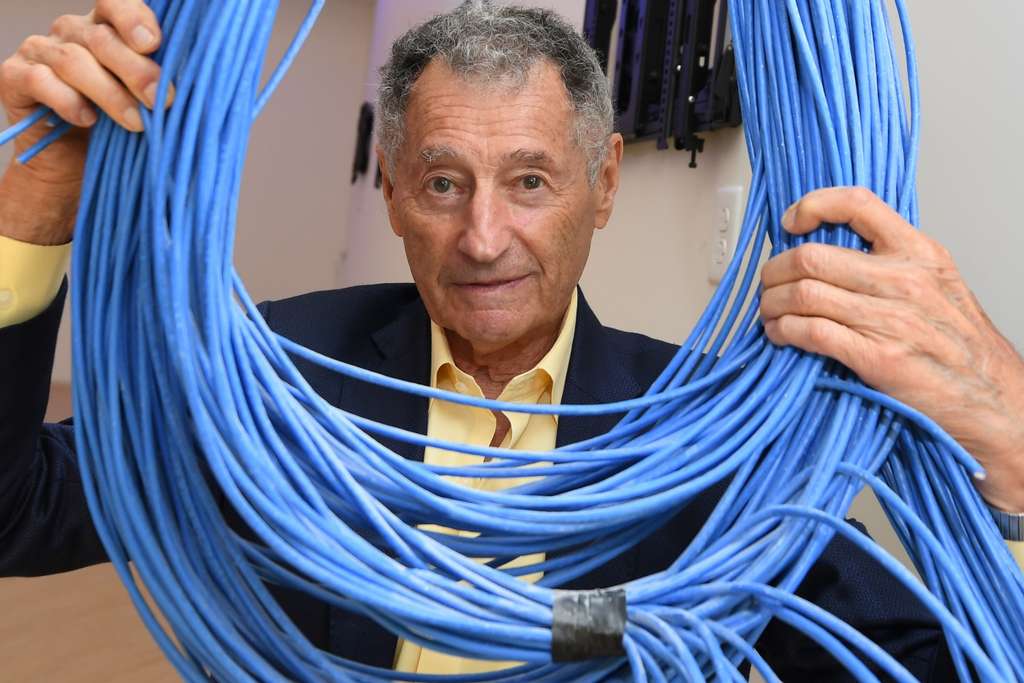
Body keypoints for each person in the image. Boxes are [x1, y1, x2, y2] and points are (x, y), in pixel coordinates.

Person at [1, 1, 1022, 679]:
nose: (483, 237)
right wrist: (31, 211)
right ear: (394, 190)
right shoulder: (273, 382)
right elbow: (20, 511)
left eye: (530, 181)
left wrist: (1013, 437)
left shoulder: (712, 438)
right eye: (443, 182)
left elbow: (933, 656)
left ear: (604, 185)